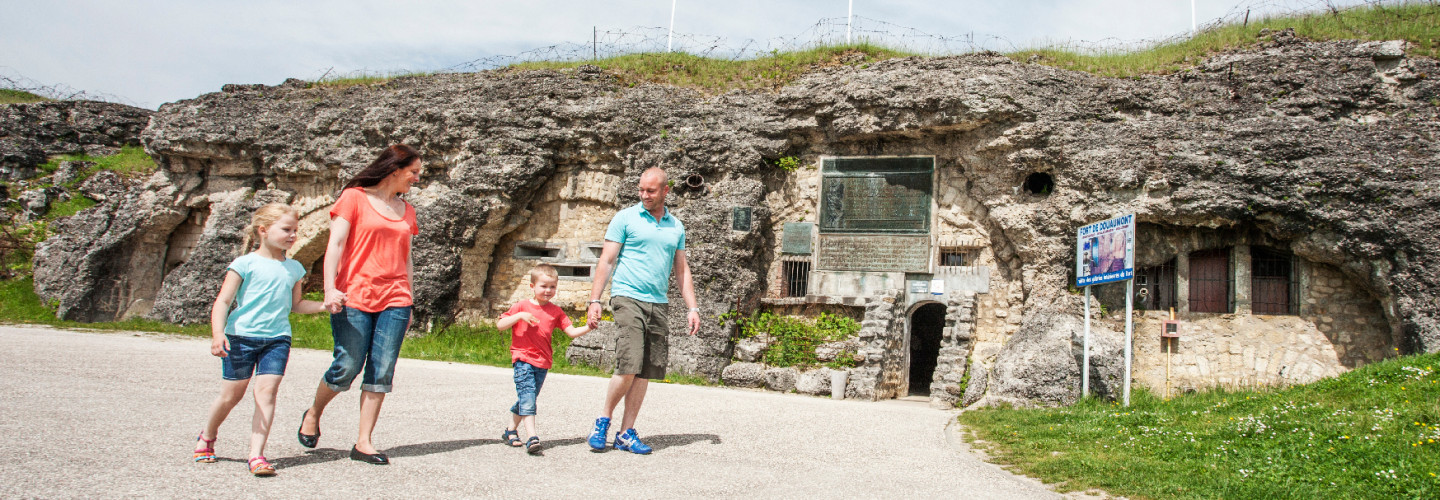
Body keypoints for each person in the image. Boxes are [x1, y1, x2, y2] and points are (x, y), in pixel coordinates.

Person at [297, 144, 422, 465]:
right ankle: (313, 412)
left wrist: (409, 300)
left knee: (381, 371)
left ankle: (364, 442)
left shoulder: (407, 211)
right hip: (353, 295)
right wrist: (329, 289)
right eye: (413, 172)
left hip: (395, 299)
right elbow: (335, 245)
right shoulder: (353, 197)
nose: (416, 179)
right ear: (394, 170)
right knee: (347, 366)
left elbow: (406, 259)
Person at [191, 203, 325, 476]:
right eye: (286, 229)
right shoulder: (244, 263)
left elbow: (296, 305)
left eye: (295, 230)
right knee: (231, 395)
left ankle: (257, 455)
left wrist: (327, 306)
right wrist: (218, 335)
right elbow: (223, 301)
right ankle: (208, 435)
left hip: (277, 339)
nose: (293, 235)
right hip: (240, 337)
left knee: (267, 393)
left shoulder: (295, 268)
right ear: (263, 230)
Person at [585, 167, 701, 455]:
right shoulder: (625, 218)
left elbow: (681, 269)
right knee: (629, 364)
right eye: (641, 190)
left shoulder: (676, 226)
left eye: (650, 190)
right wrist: (595, 300)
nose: (644, 195)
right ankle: (603, 420)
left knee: (646, 370)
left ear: (665, 191)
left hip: (658, 303)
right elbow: (607, 260)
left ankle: (626, 433)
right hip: (627, 297)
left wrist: (692, 307)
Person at [496, 263, 592, 454]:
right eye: (543, 286)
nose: (548, 291)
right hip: (522, 359)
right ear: (532, 286)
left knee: (527, 397)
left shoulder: (556, 311)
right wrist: (520, 316)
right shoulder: (521, 306)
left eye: (552, 287)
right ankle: (533, 437)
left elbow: (571, 332)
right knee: (528, 397)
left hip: (543, 362)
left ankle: (510, 430)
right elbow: (500, 325)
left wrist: (590, 326)